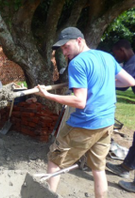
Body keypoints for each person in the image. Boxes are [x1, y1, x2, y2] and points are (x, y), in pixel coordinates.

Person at [35, 27, 135, 198]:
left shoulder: (78, 63)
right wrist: (101, 81)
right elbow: (130, 81)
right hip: (105, 124)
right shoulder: (107, 57)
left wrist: (47, 95)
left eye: (67, 47)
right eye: (62, 49)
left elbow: (79, 102)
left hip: (84, 125)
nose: (65, 52)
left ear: (80, 40)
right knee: (98, 169)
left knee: (54, 161)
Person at [106, 39, 135, 192]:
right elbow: (123, 85)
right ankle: (125, 167)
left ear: (122, 50)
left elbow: (124, 85)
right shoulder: (131, 63)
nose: (115, 56)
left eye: (116, 53)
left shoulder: (133, 63)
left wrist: (103, 80)